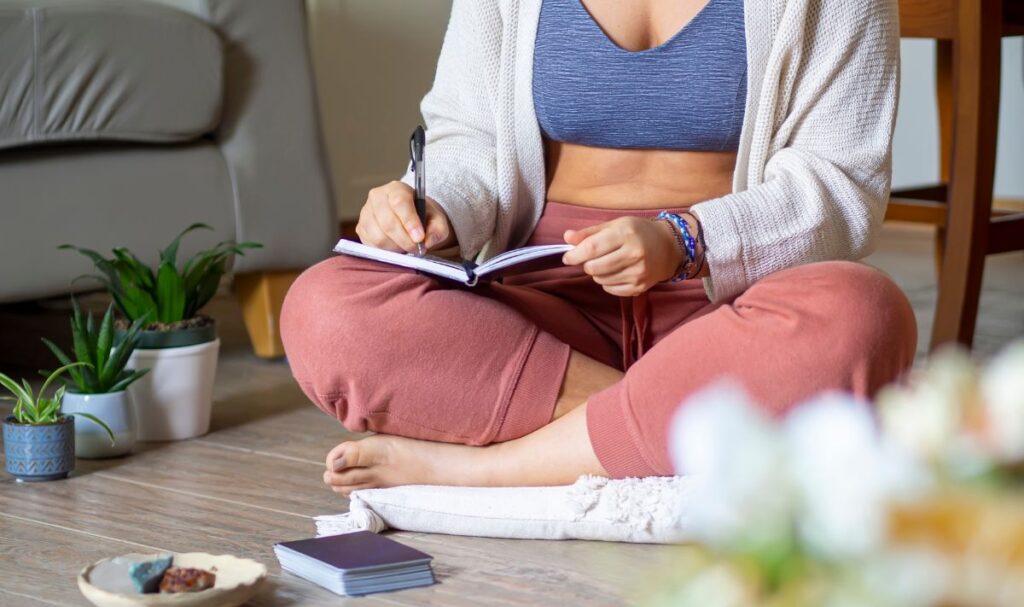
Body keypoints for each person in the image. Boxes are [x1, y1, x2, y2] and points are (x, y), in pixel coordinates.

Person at [281, 0, 916, 495]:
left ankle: (491, 472)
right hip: (547, 310)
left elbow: (842, 183)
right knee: (323, 308)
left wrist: (686, 240)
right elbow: (468, 135)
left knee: (863, 312)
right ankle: (676, 426)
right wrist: (432, 206)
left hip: (728, 304)